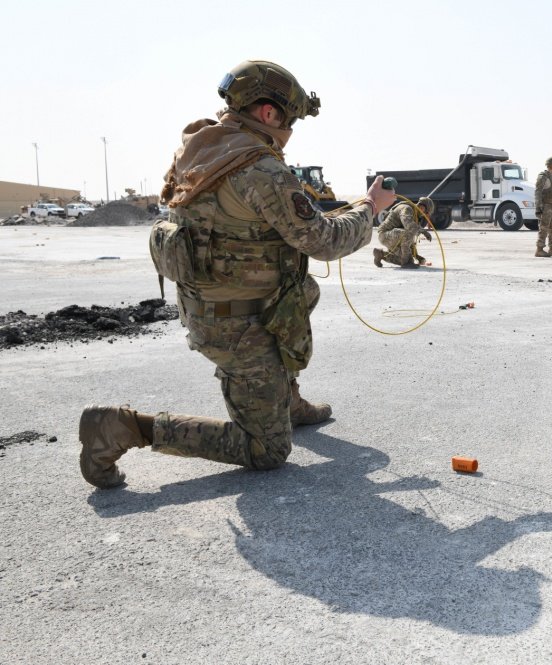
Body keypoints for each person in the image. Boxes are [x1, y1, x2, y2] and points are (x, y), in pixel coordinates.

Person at [78, 60, 396, 489]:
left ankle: (285, 399)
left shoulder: (202, 146)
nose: (288, 131)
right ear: (268, 113)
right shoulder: (259, 169)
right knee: (266, 451)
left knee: (302, 289)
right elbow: (324, 241)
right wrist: (371, 207)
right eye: (289, 120)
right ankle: (124, 428)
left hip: (208, 304)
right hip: (237, 323)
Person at [373, 197, 435, 269]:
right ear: (422, 207)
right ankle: (406, 263)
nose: (424, 214)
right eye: (426, 212)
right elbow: (408, 225)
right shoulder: (406, 208)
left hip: (394, 236)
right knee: (408, 234)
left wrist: (417, 256)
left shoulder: (414, 214)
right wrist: (423, 231)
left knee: (404, 259)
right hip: (385, 235)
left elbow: (411, 241)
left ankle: (381, 254)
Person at [534, 156, 552, 257]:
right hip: (546, 206)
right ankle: (539, 249)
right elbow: (538, 192)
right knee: (544, 228)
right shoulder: (543, 176)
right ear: (550, 165)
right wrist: (538, 207)